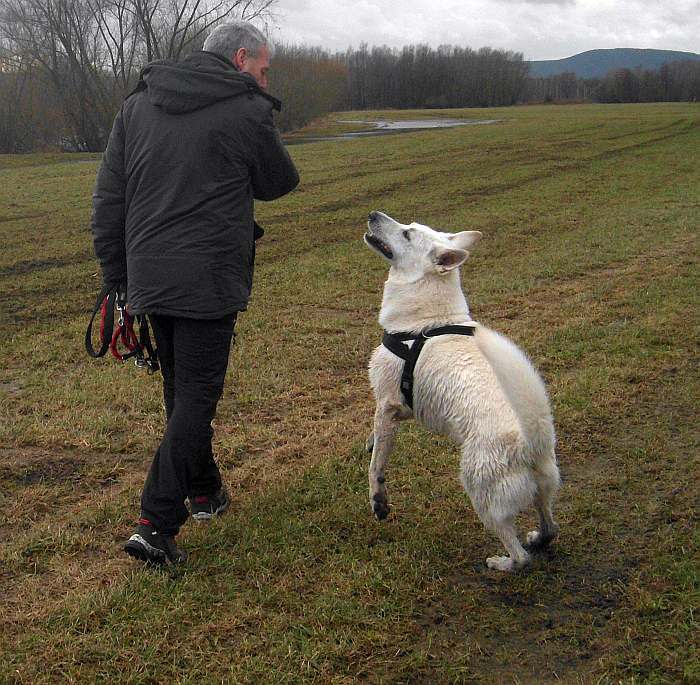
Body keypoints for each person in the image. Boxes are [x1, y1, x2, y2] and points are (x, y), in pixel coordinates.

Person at [91, 21, 299, 565]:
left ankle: (204, 490)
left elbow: (108, 198)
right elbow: (280, 181)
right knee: (196, 398)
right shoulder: (248, 109)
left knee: (183, 390)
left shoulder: (137, 105)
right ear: (240, 58)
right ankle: (156, 522)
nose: (264, 76)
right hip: (208, 276)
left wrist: (118, 279)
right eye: (263, 67)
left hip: (150, 276)